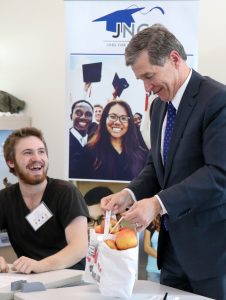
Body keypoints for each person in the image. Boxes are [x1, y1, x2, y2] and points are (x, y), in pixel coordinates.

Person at [101, 24, 226, 300]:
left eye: (149, 76)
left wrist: (157, 203)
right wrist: (129, 193)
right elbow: (156, 168)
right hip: (171, 255)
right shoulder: (158, 107)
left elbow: (219, 174)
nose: (147, 88)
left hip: (212, 256)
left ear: (174, 59)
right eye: (140, 80)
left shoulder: (217, 100)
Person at [0, 127, 89, 274]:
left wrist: (41, 265)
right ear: (11, 162)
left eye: (41, 151)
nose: (37, 158)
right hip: (30, 282)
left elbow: (79, 247)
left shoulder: (66, 193)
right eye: (28, 153)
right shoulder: (5, 199)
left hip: (72, 281)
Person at [80, 100, 148, 181]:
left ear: (129, 123)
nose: (117, 122)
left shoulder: (142, 155)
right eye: (112, 116)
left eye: (123, 118)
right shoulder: (89, 151)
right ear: (104, 119)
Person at [69, 100, 93, 178]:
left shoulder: (95, 142)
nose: (83, 117)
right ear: (71, 116)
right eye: (78, 113)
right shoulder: (64, 141)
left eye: (88, 114)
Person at [144, 215, 160, 282]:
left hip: (170, 271)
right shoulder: (151, 224)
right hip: (153, 270)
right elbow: (146, 247)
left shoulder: (171, 223)